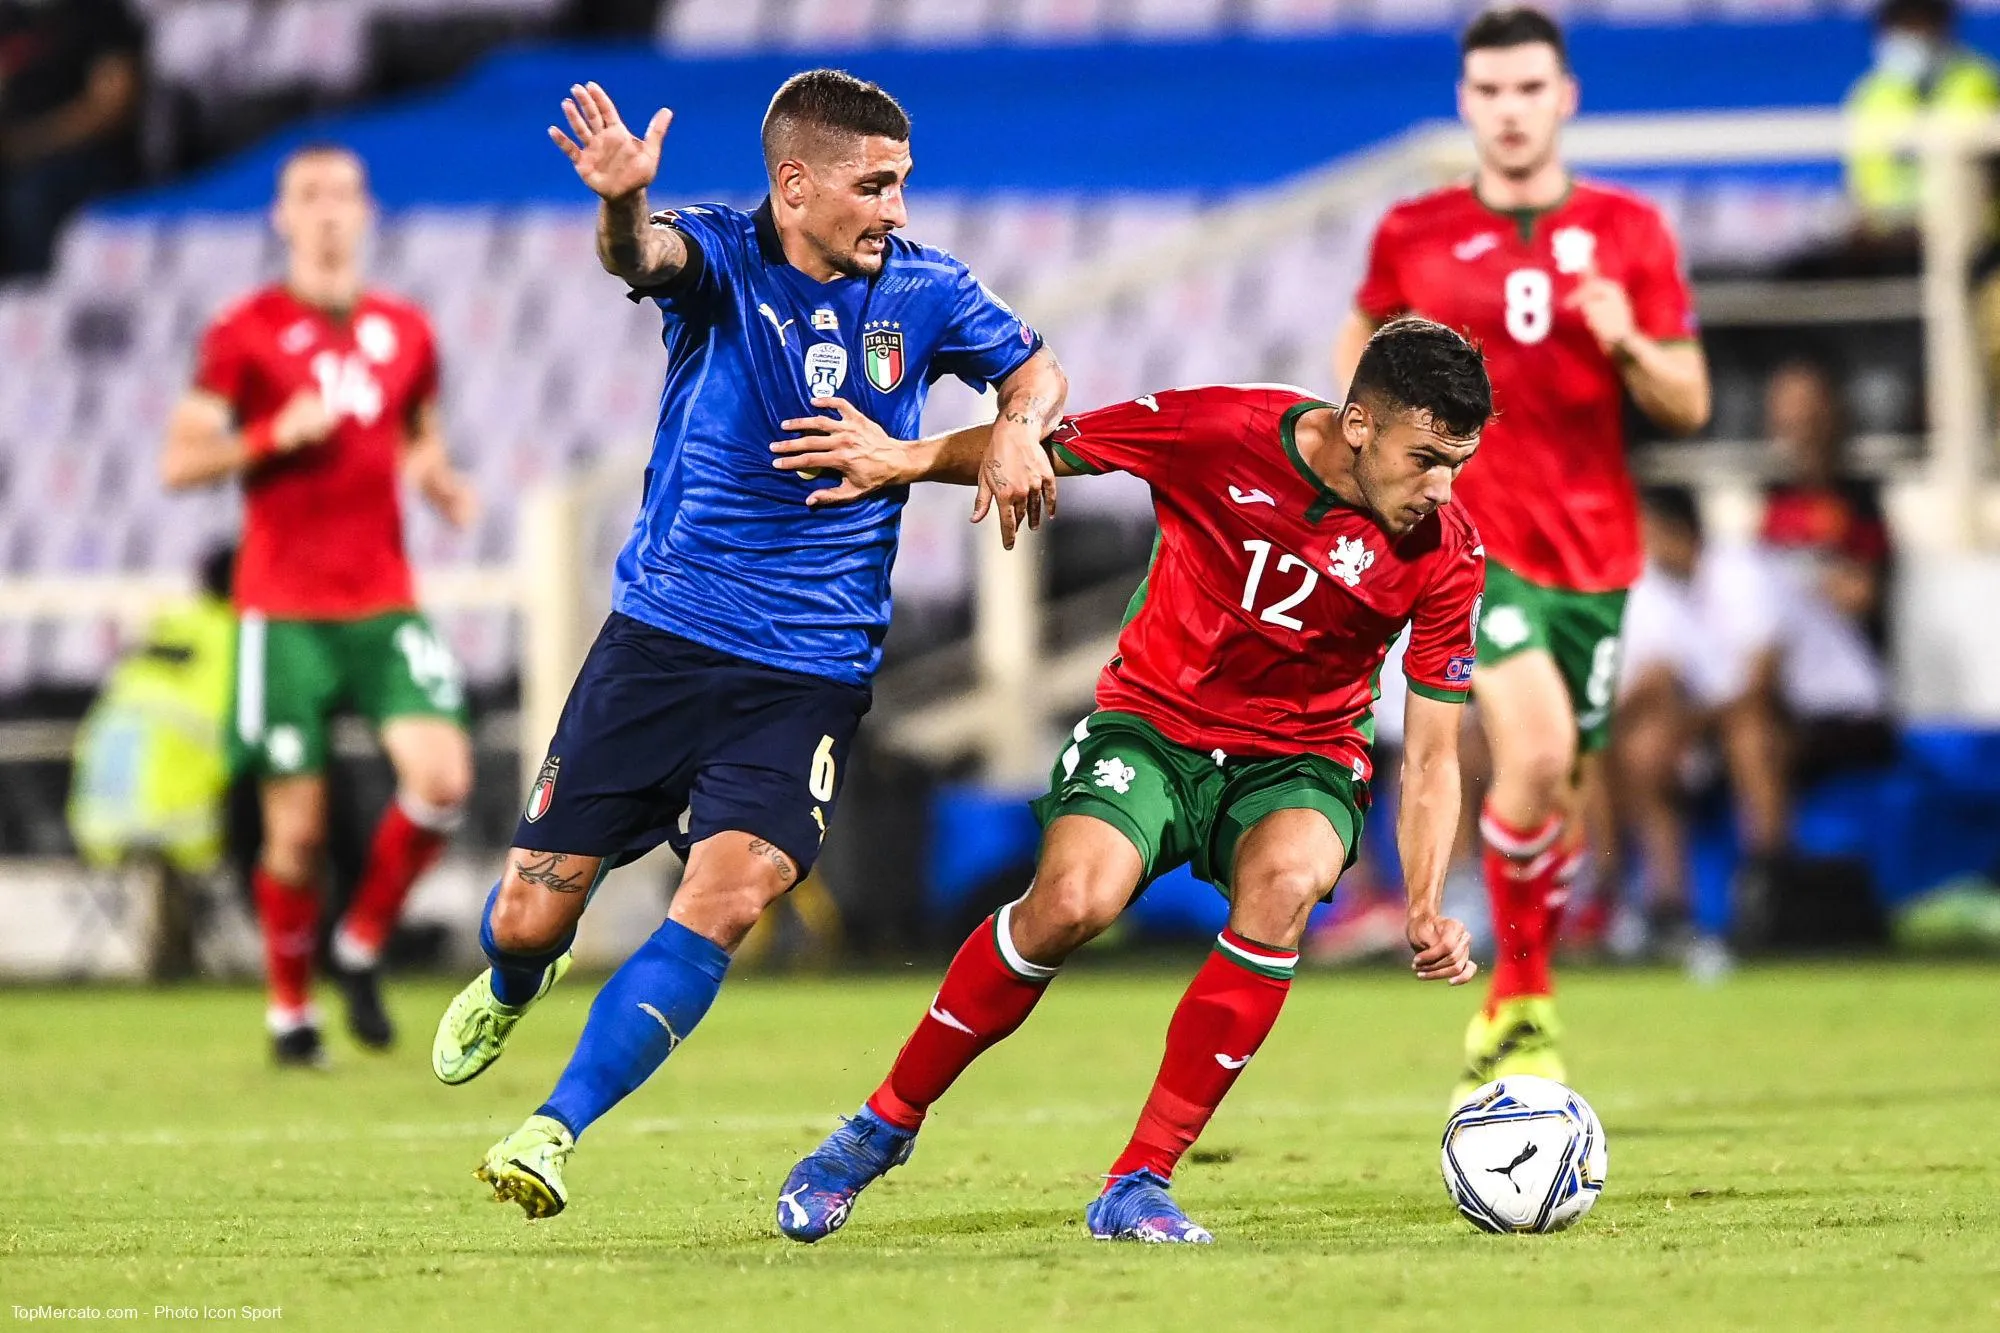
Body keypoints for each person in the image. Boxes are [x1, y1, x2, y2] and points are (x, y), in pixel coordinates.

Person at [431, 73, 1066, 1220]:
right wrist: (622, 206)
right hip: (662, 643)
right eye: (874, 186)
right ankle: (517, 979)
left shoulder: (924, 288)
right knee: (531, 912)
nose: (897, 210)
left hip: (809, 673)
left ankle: (551, 1129)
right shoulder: (724, 257)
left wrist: (1017, 425)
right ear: (795, 185)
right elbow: (642, 259)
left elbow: (1033, 366)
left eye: (902, 183)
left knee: (729, 896)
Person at [773, 316, 1487, 1245]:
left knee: (1285, 884)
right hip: (1155, 724)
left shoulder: (1449, 553)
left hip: (1301, 757)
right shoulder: (1219, 431)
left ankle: (1138, 1180)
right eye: (1426, 457)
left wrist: (1425, 898)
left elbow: (1432, 751)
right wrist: (905, 458)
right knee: (1069, 902)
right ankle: (880, 1125)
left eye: (1458, 464)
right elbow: (1040, 449)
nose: (1441, 489)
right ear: (1358, 424)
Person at [1332, 5, 1710, 1102]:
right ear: (1465, 104)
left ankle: (1514, 1004)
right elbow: (1352, 374)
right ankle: (1525, 996)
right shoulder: (1412, 235)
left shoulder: (1629, 232)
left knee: (1559, 786)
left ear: (1563, 98)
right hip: (1470, 543)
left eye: (1527, 90)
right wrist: (1368, 488)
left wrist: (1625, 336)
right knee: (1536, 752)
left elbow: (1687, 400)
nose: (1507, 111)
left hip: (1590, 554)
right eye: (1488, 92)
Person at [161, 144, 479, 1066]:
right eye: (310, 197)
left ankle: (362, 936)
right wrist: (267, 435)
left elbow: (418, 430)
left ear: (364, 210)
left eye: (343, 194)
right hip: (283, 609)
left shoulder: (406, 330)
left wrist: (439, 480)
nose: (329, 212)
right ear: (282, 217)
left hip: (382, 599)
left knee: (444, 778)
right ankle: (290, 1011)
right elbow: (180, 462)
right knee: (293, 834)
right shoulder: (243, 330)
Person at [0, 0, 143, 277]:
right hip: (20, 160)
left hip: (87, 157)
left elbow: (112, 107)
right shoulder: (11, 21)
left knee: (29, 200)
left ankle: (40, 304)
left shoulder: (96, 12)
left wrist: (29, 144)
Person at [1845, 0, 2000, 238]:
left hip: (1972, 233)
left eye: (1918, 25)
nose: (1910, 35)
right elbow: (1865, 183)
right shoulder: (1872, 92)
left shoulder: (1979, 82)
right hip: (1890, 236)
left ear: (1942, 26)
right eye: (1901, 27)